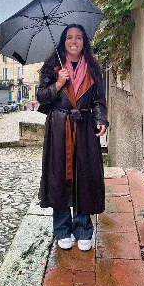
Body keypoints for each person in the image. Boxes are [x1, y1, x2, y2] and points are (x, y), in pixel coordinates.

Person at [36, 24, 107, 252]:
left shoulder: (93, 68)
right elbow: (42, 97)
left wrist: (100, 119)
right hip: (59, 128)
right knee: (60, 178)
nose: (73, 41)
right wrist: (58, 83)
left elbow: (99, 100)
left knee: (84, 177)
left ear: (84, 41)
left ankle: (84, 230)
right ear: (63, 41)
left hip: (85, 129)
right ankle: (62, 230)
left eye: (78, 37)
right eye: (69, 38)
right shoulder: (52, 66)